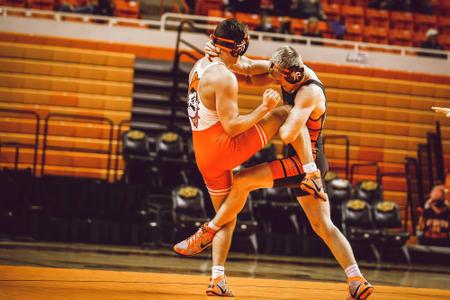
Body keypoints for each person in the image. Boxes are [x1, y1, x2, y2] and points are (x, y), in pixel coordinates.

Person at [175, 45, 374, 300]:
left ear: (288, 74)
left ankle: (210, 230)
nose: (272, 79)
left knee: (242, 180)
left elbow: (288, 132)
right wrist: (215, 52)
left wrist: (272, 110)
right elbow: (246, 70)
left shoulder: (309, 92)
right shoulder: (290, 69)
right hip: (301, 161)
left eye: (276, 77)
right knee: (323, 225)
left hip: (305, 162)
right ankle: (357, 280)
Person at [174, 18, 323, 296]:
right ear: (240, 45)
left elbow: (252, 70)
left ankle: (217, 278)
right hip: (222, 148)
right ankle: (312, 171)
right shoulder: (225, 77)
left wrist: (275, 68)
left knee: (227, 212)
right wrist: (264, 108)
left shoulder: (201, 65)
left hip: (203, 154)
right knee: (283, 113)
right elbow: (231, 127)